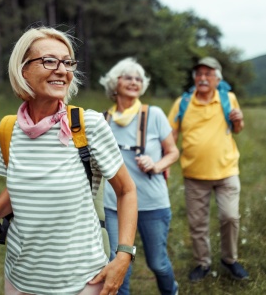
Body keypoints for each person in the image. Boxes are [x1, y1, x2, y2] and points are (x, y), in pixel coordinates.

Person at [0, 26, 138, 295]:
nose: (62, 70)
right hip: (19, 278)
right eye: (49, 60)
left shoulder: (88, 125)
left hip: (81, 281)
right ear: (23, 70)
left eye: (67, 62)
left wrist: (124, 256)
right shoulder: (8, 129)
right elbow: (19, 188)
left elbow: (127, 191)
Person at [99, 57, 179, 295]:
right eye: (128, 77)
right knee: (118, 265)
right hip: (115, 206)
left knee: (158, 263)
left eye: (138, 78)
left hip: (152, 204)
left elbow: (173, 152)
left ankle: (171, 291)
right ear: (115, 83)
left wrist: (156, 165)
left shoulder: (153, 114)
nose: (134, 82)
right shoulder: (103, 121)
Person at [167, 57, 249, 282]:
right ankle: (203, 263)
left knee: (230, 217)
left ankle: (229, 259)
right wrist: (165, 163)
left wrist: (239, 120)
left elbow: (238, 128)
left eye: (208, 74)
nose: (203, 78)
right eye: (199, 74)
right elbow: (171, 135)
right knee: (197, 223)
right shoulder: (182, 102)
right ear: (195, 78)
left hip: (227, 171)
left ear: (217, 78)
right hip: (194, 174)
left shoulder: (228, 98)